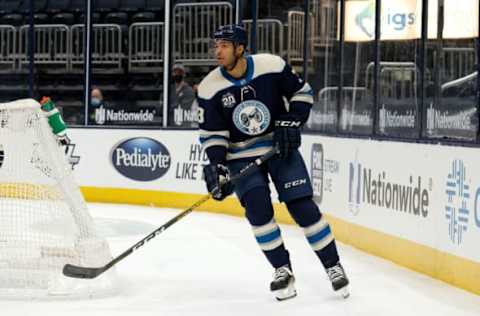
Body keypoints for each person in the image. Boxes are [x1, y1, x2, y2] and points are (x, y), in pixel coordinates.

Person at [197, 24, 349, 301]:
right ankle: (282, 270)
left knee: (302, 208)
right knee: (258, 210)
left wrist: (292, 120)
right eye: (215, 45)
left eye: (224, 46)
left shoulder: (271, 66)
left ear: (240, 48)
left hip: (279, 147)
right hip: (241, 157)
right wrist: (218, 164)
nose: (217, 51)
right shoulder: (209, 87)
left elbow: (302, 93)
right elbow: (213, 134)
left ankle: (333, 266)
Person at [170, 63, 197, 127]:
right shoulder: (169, 89)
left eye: (179, 72)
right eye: (175, 72)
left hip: (184, 126)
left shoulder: (189, 91)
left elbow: (182, 109)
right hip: (170, 125)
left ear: (184, 74)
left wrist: (170, 107)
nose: (177, 74)